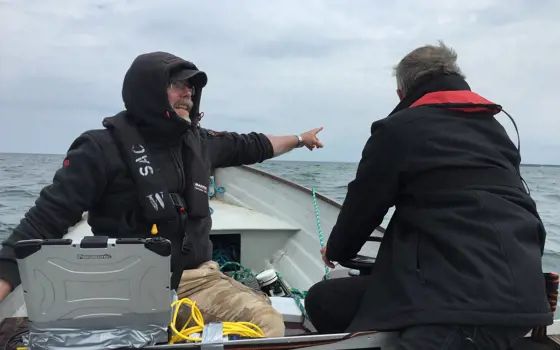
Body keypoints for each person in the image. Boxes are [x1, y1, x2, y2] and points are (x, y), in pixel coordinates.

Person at [0, 51, 324, 338]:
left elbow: (256, 144)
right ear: (146, 91)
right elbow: (43, 223)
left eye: (191, 87)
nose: (188, 93)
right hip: (124, 282)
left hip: (197, 279)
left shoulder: (203, 142)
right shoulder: (100, 149)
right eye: (176, 85)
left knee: (267, 324)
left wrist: (299, 138)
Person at [304, 41, 552, 349]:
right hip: (527, 298)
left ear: (401, 94)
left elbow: (364, 206)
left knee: (323, 301)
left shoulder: (397, 130)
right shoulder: (497, 131)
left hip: (457, 305)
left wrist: (337, 251)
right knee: (327, 300)